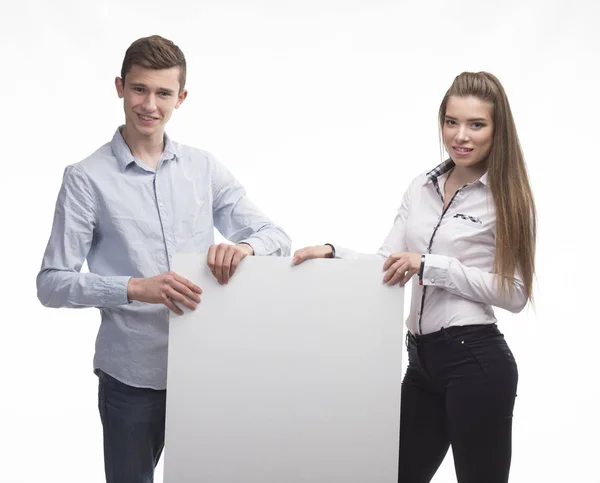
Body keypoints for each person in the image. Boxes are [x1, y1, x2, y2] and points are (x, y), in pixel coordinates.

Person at [36, 35, 291, 483]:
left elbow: (276, 236)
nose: (149, 104)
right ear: (119, 87)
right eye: (139, 89)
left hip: (205, 372)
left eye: (163, 93)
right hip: (131, 378)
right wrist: (135, 287)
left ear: (181, 97)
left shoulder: (203, 168)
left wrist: (243, 248)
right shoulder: (85, 179)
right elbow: (51, 283)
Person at [293, 71, 536, 483]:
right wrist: (334, 253)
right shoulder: (422, 186)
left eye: (476, 124)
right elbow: (389, 261)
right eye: (451, 121)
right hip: (422, 364)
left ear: (498, 130)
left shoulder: (506, 198)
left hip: (475, 360)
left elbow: (514, 293)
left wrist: (430, 265)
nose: (461, 135)